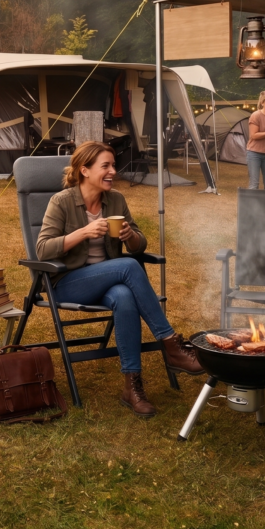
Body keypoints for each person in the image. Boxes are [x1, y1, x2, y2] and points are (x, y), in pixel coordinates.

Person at [36, 141, 204, 418]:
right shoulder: (62, 201)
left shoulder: (115, 200)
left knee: (125, 297)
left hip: (107, 280)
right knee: (126, 267)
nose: (113, 171)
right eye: (106, 166)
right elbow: (42, 249)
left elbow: (139, 244)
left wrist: (131, 236)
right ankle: (171, 344)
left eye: (113, 165)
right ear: (85, 170)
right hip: (68, 283)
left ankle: (132, 386)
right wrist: (84, 232)